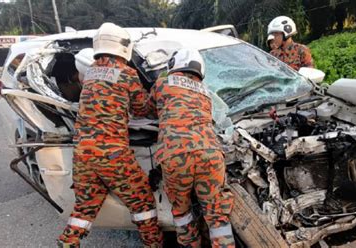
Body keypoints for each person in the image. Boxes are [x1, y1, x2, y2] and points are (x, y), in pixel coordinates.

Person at [58, 22, 162, 248]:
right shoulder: (127, 74)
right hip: (112, 155)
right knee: (143, 203)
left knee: (85, 207)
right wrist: (156, 96)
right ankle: (154, 244)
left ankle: (68, 242)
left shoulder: (89, 73)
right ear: (123, 47)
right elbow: (141, 110)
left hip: (83, 154)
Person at [147, 48, 235, 247]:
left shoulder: (162, 83)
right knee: (217, 217)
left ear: (174, 65)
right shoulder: (205, 91)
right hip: (210, 153)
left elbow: (147, 109)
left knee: (182, 213)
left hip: (175, 155)